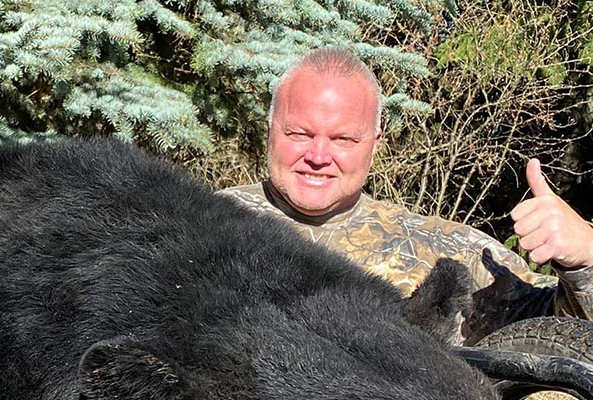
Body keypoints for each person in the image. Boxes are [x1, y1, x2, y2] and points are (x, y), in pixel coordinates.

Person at [219, 47, 593, 343]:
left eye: (343, 139)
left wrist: (585, 262)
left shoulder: (448, 252)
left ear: (375, 144)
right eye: (299, 133)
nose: (318, 156)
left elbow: (566, 338)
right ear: (270, 129)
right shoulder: (201, 225)